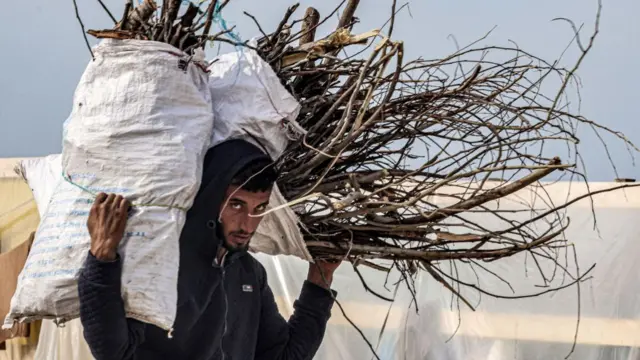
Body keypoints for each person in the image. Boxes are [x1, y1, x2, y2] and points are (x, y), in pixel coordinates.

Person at [78, 139, 341, 359]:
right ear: (212, 198)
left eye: (259, 208)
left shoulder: (249, 273)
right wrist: (101, 257)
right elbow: (112, 351)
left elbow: (282, 356)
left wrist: (321, 281)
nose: (248, 224)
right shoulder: (166, 262)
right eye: (236, 205)